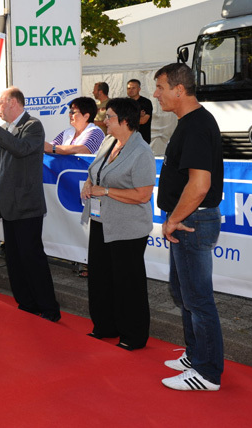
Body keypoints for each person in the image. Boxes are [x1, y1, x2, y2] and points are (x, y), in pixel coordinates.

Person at [154, 62, 224, 392]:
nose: (156, 95)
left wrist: (174, 220)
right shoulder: (189, 122)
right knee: (183, 294)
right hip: (186, 221)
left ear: (179, 90)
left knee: (197, 299)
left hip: (191, 222)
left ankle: (207, 372)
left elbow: (199, 185)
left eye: (161, 88)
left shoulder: (196, 125)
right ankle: (196, 354)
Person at [0, 86, 61, 322]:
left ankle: (49, 308)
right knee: (14, 259)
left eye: (0, 103)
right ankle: (27, 303)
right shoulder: (4, 129)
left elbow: (21, 149)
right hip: (8, 205)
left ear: (13, 102)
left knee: (32, 258)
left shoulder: (32, 126)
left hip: (26, 206)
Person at [79, 98, 156, 350]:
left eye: (109, 116)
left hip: (128, 227)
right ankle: (105, 327)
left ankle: (132, 336)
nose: (105, 120)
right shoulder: (108, 141)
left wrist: (106, 191)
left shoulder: (142, 152)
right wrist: (89, 185)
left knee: (127, 283)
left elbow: (143, 195)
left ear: (125, 121)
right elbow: (96, 172)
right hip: (101, 222)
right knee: (100, 278)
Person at [46, 96, 106, 279]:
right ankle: (78, 259)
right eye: (70, 111)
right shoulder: (67, 132)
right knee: (75, 222)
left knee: (90, 225)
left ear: (87, 115)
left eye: (74, 112)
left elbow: (83, 150)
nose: (70, 115)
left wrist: (56, 149)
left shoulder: (95, 132)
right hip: (71, 187)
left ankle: (91, 263)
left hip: (92, 187)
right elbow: (50, 147)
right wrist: (53, 148)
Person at [127, 79, 153, 144]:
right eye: (128, 88)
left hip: (142, 139)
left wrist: (128, 120)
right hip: (128, 139)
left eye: (133, 88)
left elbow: (143, 120)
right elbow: (120, 120)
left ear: (139, 89)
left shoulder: (146, 102)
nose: (131, 90)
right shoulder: (125, 103)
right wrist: (138, 116)